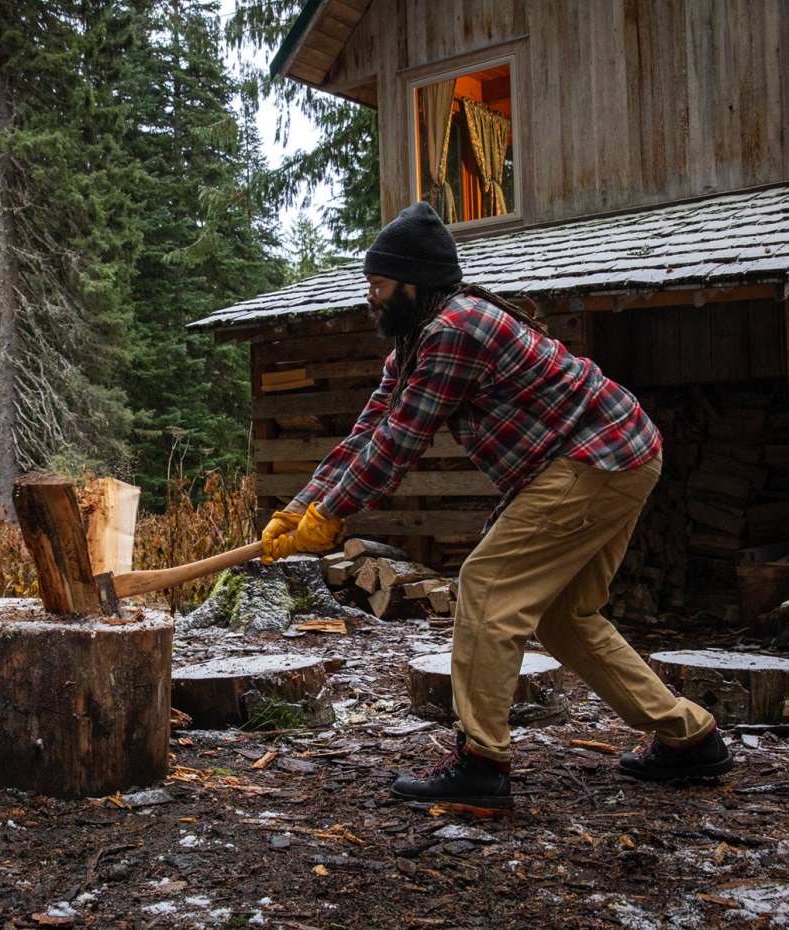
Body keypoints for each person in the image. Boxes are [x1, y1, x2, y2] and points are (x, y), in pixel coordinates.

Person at [261, 201, 734, 810]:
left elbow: (398, 446)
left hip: (598, 458)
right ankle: (689, 737)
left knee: (485, 585)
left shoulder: (453, 331)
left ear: (414, 283)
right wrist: (299, 506)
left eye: (378, 284)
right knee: (566, 618)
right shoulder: (411, 345)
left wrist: (334, 513)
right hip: (618, 453)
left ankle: (481, 762)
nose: (370, 296)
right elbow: (367, 433)